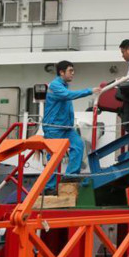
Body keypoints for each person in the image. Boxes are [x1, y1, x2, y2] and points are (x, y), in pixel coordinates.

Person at [43, 61, 102, 193]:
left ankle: (70, 176)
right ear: (61, 72)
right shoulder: (55, 86)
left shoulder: (63, 85)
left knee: (78, 145)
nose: (73, 73)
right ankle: (48, 188)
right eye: (70, 71)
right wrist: (90, 91)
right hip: (53, 128)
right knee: (54, 159)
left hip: (66, 128)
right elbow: (68, 96)